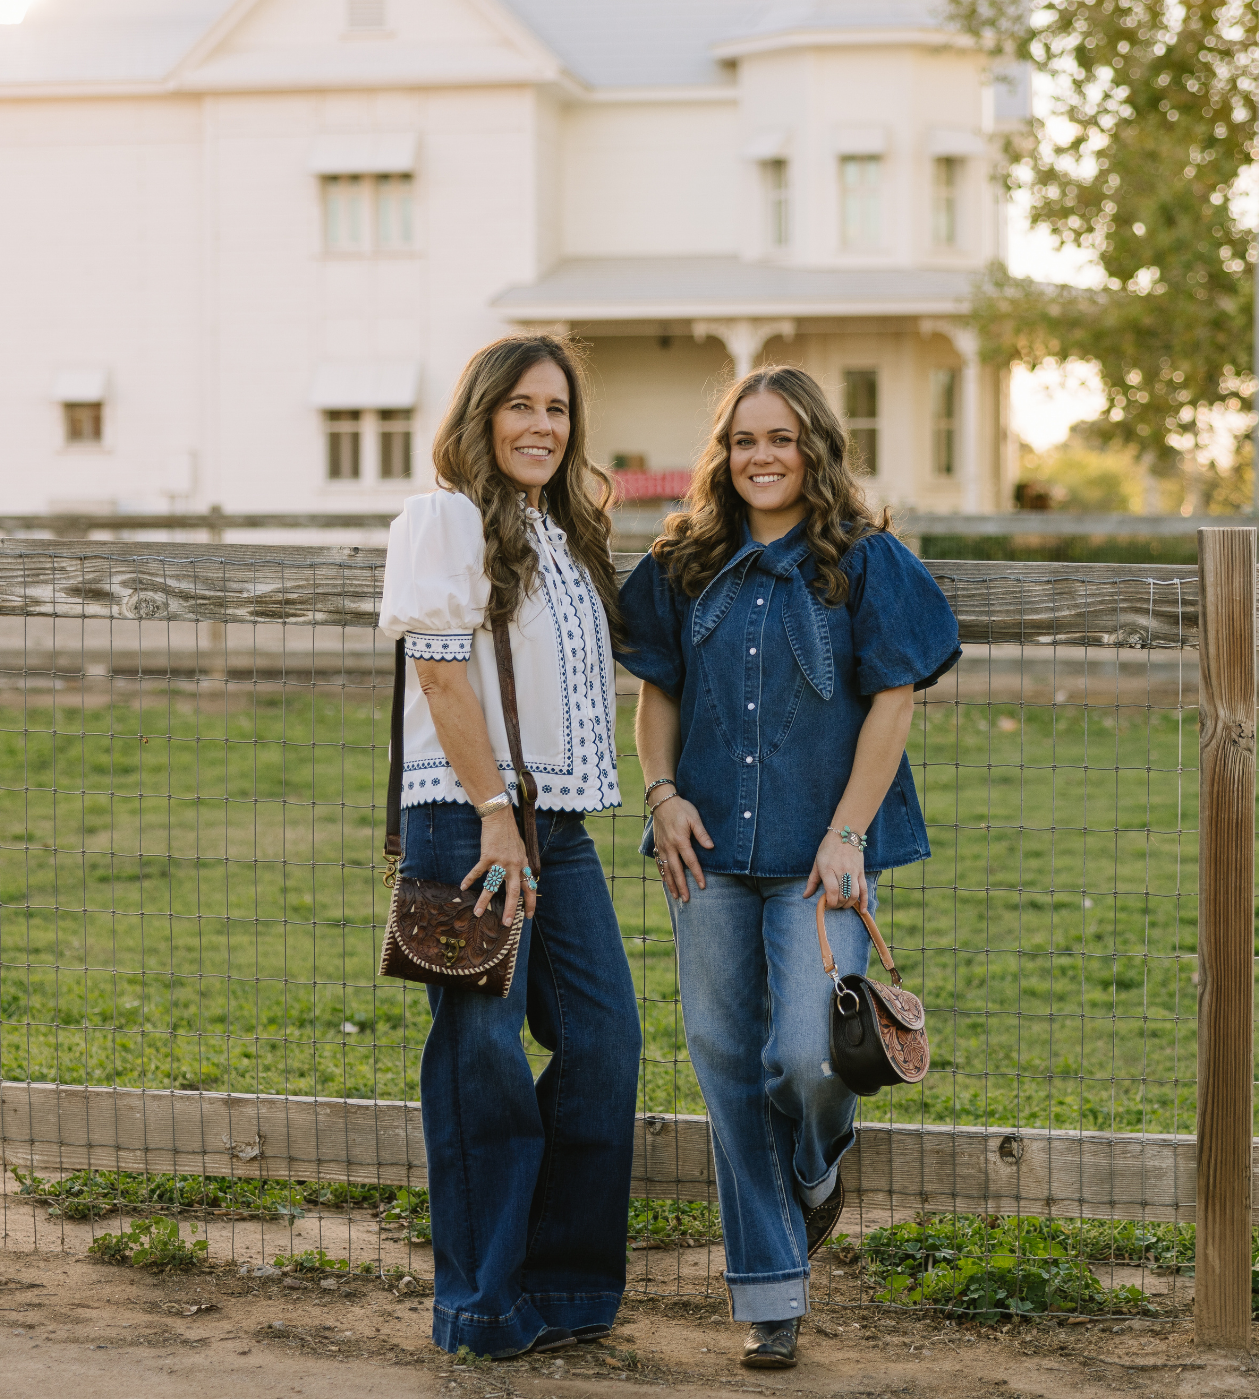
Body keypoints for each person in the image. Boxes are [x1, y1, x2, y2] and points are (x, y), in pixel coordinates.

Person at [618, 364, 960, 1369]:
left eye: (781, 437)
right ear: (723, 455)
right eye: (742, 439)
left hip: (824, 858)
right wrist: (662, 794)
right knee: (727, 1064)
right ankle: (771, 1295)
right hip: (708, 850)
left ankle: (818, 1168)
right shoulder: (683, 561)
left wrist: (849, 831)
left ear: (815, 446)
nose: (760, 455)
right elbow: (657, 700)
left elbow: (893, 697)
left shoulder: (863, 561)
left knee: (809, 1053)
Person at [376, 335, 640, 1359]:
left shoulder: (562, 533)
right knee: (481, 1056)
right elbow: (441, 675)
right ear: (482, 414)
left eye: (559, 410)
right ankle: (480, 1304)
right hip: (472, 814)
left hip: (556, 824)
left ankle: (566, 1284)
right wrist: (492, 808)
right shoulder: (442, 518)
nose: (542, 425)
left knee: (603, 1040)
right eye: (522, 405)